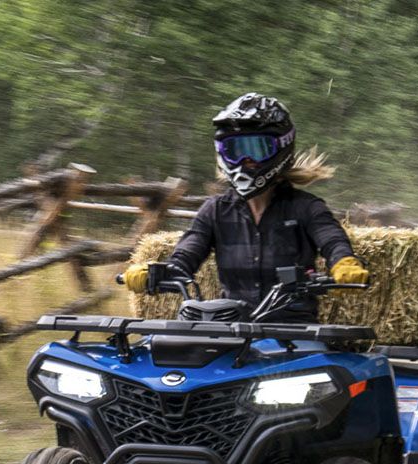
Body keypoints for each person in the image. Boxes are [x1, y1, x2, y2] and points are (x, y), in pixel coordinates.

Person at [122, 92, 368, 321]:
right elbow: (185, 257)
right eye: (235, 150)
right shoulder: (215, 210)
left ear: (281, 147)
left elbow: (333, 240)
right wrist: (156, 272)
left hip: (295, 335)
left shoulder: (306, 207)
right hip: (232, 330)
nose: (245, 160)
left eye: (256, 149)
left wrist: (343, 263)